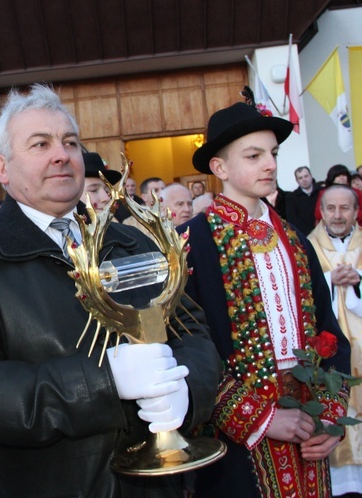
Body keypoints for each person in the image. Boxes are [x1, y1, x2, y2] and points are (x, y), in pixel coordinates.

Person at [0, 84, 220, 497]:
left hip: (160, 485)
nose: (61, 154)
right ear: (3, 168)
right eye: (40, 144)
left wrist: (188, 389)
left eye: (70, 142)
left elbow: (194, 336)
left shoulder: (133, 242)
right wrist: (102, 383)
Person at [181, 102, 351, 498]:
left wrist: (329, 416)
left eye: (273, 153)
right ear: (219, 168)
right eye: (254, 156)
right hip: (236, 443)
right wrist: (259, 418)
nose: (270, 165)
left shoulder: (295, 239)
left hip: (308, 433)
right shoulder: (193, 243)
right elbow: (184, 344)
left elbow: (330, 333)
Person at [308, 185, 362, 497]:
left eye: (345, 208)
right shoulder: (307, 245)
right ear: (322, 211)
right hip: (328, 351)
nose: (338, 215)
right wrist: (329, 280)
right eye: (331, 208)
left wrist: (358, 281)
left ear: (356, 211)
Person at [286, 166, 320, 235]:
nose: (304, 179)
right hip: (305, 235)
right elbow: (293, 219)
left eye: (306, 176)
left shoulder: (322, 192)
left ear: (311, 176)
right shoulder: (291, 198)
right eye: (300, 178)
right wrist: (310, 232)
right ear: (297, 180)